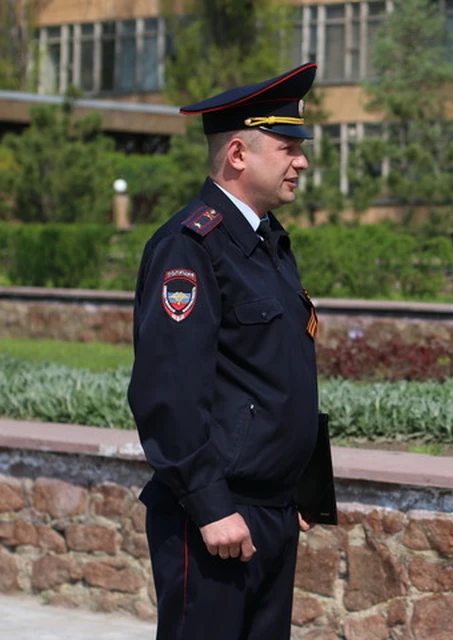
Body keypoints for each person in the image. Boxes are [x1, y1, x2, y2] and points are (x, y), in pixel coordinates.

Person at [127, 63, 334, 640]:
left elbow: (273, 375)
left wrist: (301, 487)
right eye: (289, 147)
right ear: (238, 154)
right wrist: (210, 504)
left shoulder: (268, 243)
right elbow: (167, 392)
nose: (303, 161)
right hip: (216, 516)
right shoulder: (189, 247)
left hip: (269, 509)